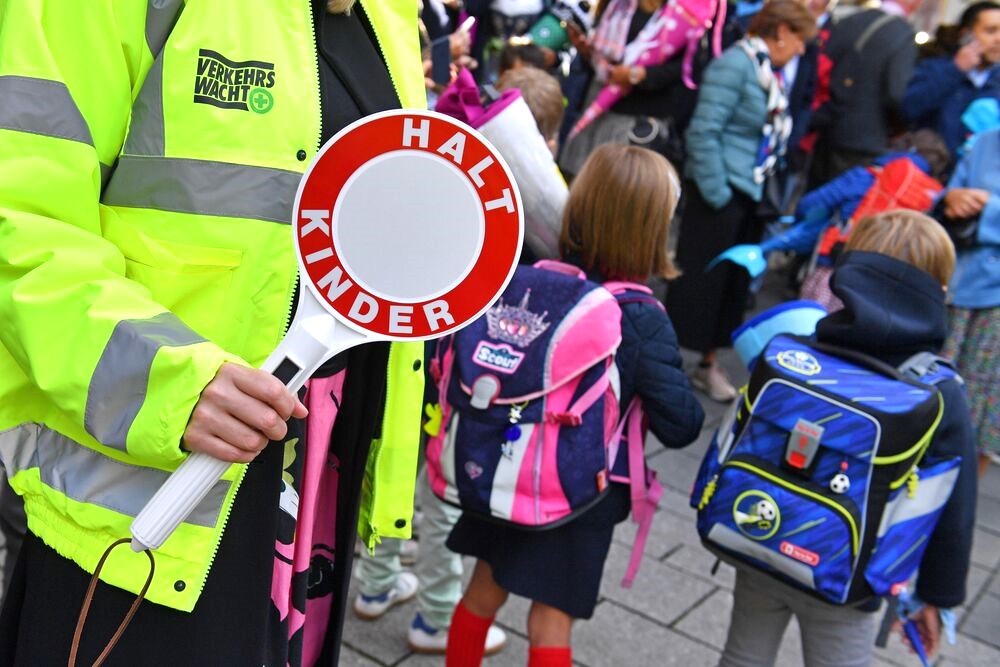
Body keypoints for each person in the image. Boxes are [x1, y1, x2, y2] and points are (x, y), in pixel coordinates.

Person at [0, 1, 428, 665]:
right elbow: (20, 220)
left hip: (309, 491)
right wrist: (167, 381)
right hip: (145, 504)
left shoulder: (389, 15)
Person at [443, 144, 704, 667]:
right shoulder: (641, 317)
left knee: (481, 594)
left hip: (503, 469)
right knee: (550, 621)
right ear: (654, 230)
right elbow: (682, 426)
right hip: (579, 493)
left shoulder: (536, 281)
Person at [717, 211, 978, 667]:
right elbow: (955, 507)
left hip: (760, 534)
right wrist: (936, 597)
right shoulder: (938, 392)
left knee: (743, 656)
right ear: (939, 293)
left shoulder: (799, 348)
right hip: (849, 580)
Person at [665, 0, 817, 402]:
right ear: (781, 31)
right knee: (699, 285)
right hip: (722, 193)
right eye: (801, 39)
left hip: (749, 192)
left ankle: (704, 363)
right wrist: (717, 191)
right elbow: (703, 131)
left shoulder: (767, 70)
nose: (802, 50)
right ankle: (671, 365)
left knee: (729, 288)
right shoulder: (735, 64)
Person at [938, 127, 1000, 477]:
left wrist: (987, 207)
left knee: (981, 411)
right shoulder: (985, 141)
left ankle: (956, 507)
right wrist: (952, 198)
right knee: (929, 391)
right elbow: (949, 193)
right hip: (957, 279)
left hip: (995, 298)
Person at [808, 0, 919, 185]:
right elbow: (896, 94)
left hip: (825, 128)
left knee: (816, 200)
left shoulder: (848, 21)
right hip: (866, 139)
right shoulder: (901, 33)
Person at [904, 2, 1000, 158]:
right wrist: (956, 70)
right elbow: (910, 108)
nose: (998, 39)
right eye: (990, 31)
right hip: (934, 171)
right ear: (966, 35)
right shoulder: (935, 69)